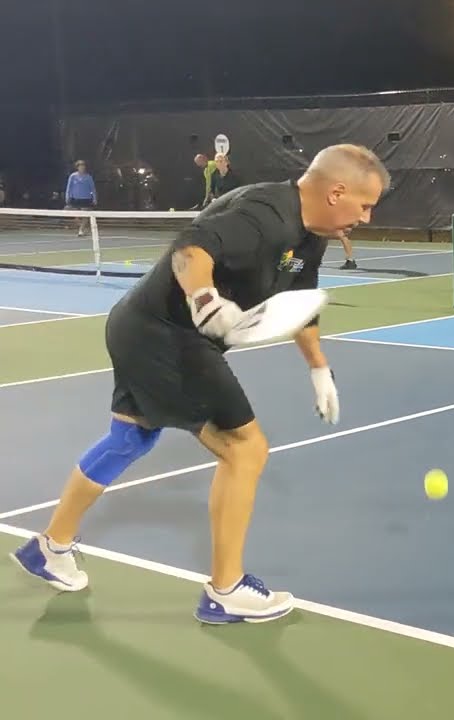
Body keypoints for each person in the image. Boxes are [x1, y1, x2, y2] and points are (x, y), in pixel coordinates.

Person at [10, 143, 390, 625]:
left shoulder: (312, 234)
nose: (368, 217)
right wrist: (206, 300)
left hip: (140, 328)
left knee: (130, 437)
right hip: (166, 336)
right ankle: (226, 590)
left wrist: (318, 367)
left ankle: (50, 548)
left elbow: (299, 302)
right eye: (365, 205)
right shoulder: (264, 214)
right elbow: (191, 251)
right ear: (337, 191)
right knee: (246, 450)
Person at [64, 160, 96, 236]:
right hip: (75, 199)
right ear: (77, 167)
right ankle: (82, 227)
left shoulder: (88, 177)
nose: (82, 168)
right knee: (73, 214)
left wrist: (94, 198)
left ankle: (81, 230)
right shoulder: (73, 176)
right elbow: (69, 187)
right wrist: (67, 196)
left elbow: (93, 188)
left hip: (86, 199)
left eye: (83, 166)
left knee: (85, 215)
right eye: (80, 166)